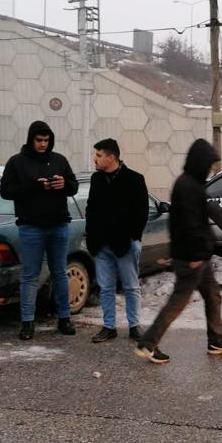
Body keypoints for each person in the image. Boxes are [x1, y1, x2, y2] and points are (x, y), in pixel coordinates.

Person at [135, 138, 222, 365]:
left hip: (198, 255)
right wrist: (194, 256)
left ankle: (216, 340)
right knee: (178, 303)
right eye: (210, 164)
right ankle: (148, 343)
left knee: (213, 296)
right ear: (199, 162)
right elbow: (189, 225)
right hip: (192, 257)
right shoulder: (187, 186)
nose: (212, 169)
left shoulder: (191, 183)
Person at [0, 120, 79, 341]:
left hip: (59, 224)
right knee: (30, 276)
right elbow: (5, 191)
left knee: (60, 273)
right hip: (30, 226)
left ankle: (64, 319)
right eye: (39, 140)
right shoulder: (16, 162)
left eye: (46, 140)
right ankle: (27, 323)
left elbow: (74, 186)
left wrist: (64, 184)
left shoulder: (59, 160)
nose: (43, 144)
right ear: (31, 139)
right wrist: (34, 186)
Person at [85, 138, 149, 343]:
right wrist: (91, 236)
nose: (95, 159)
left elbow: (142, 212)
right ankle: (109, 326)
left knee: (131, 287)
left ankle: (134, 326)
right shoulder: (97, 180)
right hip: (101, 244)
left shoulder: (134, 179)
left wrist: (134, 238)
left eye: (98, 155)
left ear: (111, 157)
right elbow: (91, 209)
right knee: (106, 288)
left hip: (125, 244)